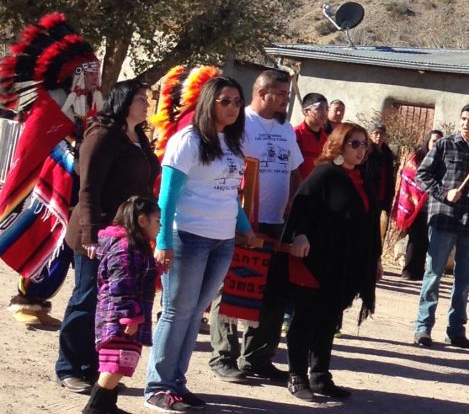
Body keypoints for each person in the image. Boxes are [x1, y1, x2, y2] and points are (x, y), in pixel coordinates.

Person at [145, 76, 256, 412]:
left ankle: (177, 383)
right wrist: (162, 241)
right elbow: (167, 196)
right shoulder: (188, 140)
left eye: (237, 101)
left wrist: (245, 228)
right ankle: (157, 386)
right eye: (225, 100)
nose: (233, 107)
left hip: (221, 240)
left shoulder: (234, 145)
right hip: (187, 237)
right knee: (176, 312)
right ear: (209, 102)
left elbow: (228, 194)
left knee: (195, 315)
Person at [0, 13, 102, 330]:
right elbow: (31, 150)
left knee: (62, 248)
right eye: (89, 74)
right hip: (42, 189)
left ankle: (38, 299)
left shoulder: (93, 105)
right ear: (74, 76)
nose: (95, 80)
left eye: (96, 74)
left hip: (73, 189)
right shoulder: (50, 104)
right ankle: (25, 299)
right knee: (37, 238)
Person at [58, 80, 161, 394]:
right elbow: (88, 189)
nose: (147, 104)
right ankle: (71, 367)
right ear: (124, 101)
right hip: (98, 233)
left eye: (148, 98)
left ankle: (97, 370)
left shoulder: (138, 138)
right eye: (141, 98)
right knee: (87, 298)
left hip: (126, 237)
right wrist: (91, 235)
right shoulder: (102, 135)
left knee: (112, 305)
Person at [208, 69, 300, 384]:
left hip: (277, 224)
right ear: (263, 93)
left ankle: (257, 357)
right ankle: (223, 356)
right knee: (233, 287)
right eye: (282, 94)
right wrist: (239, 219)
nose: (287, 100)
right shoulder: (240, 124)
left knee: (273, 292)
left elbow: (294, 170)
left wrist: (294, 206)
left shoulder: (286, 129)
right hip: (244, 221)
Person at [284, 122, 381, 400]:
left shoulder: (362, 178)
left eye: (364, 144)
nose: (361, 150)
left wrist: (374, 258)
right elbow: (301, 205)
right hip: (316, 261)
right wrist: (299, 234)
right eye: (355, 144)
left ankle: (320, 376)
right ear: (339, 144)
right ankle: (297, 376)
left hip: (343, 264)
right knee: (306, 319)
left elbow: (370, 224)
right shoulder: (324, 174)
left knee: (328, 320)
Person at [414, 103, 469, 349]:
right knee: (433, 274)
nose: (466, 124)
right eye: (463, 119)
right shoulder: (444, 145)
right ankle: (423, 328)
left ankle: (456, 331)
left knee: (464, 279)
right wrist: (444, 193)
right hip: (444, 218)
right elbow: (422, 176)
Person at [81, 197, 161, 414]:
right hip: (118, 318)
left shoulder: (134, 246)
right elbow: (121, 285)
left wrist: (157, 269)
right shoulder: (125, 247)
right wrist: (130, 317)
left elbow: (136, 277)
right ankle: (94, 409)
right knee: (114, 364)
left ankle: (107, 405)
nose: (160, 226)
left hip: (122, 315)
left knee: (122, 361)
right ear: (142, 220)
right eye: (157, 221)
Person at [395, 130, 443, 281]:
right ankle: (408, 271)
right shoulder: (417, 158)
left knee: (426, 240)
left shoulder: (442, 161)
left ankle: (419, 271)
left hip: (433, 206)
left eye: (439, 142)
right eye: (434, 140)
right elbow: (409, 178)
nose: (436, 144)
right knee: (415, 238)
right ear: (428, 141)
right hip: (415, 206)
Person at [362, 121, 398, 232]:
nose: (379, 136)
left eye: (382, 134)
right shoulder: (366, 151)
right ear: (370, 134)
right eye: (376, 133)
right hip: (368, 192)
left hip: (383, 194)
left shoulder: (387, 153)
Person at [294, 93, 330, 180]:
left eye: (326, 109)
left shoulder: (327, 138)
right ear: (306, 111)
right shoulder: (295, 134)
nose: (324, 114)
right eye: (319, 109)